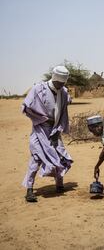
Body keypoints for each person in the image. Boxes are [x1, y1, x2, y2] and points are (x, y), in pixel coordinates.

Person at [22, 66, 73, 202]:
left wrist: (58, 129)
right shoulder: (38, 89)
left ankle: (59, 185)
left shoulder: (63, 92)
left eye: (63, 83)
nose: (61, 85)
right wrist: (42, 118)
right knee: (36, 157)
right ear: (54, 78)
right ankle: (30, 189)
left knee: (59, 155)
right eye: (59, 83)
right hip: (40, 129)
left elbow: (63, 110)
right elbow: (26, 106)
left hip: (55, 129)